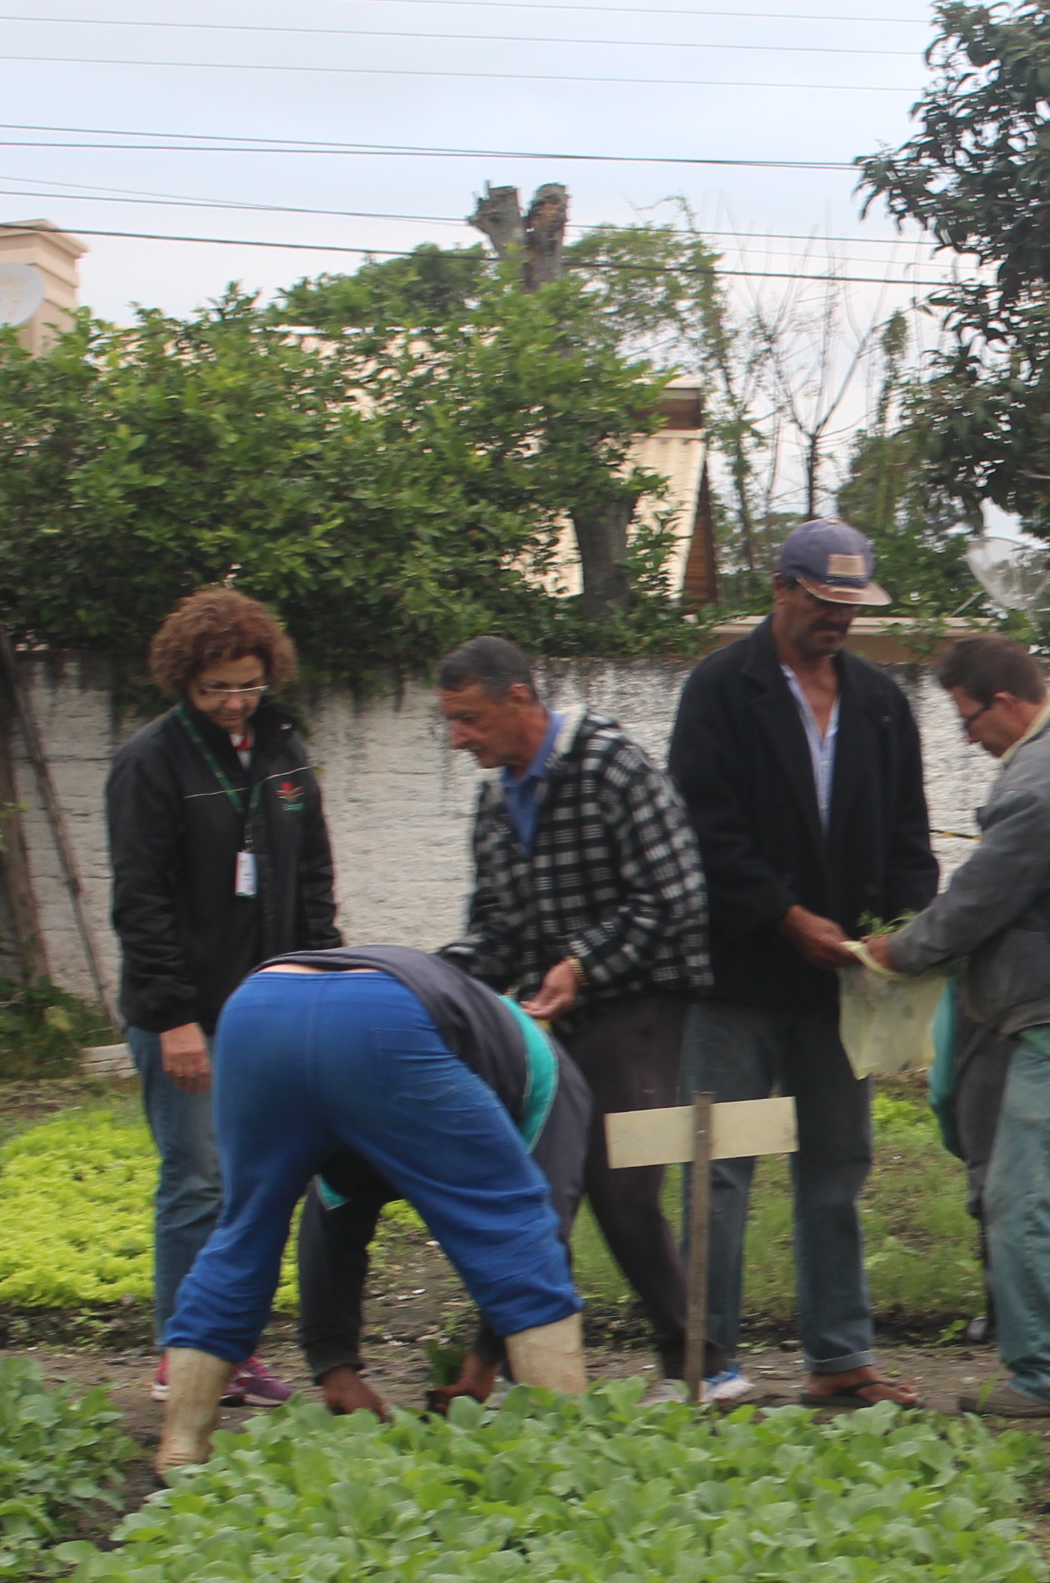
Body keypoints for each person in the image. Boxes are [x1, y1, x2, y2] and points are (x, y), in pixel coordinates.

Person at [666, 519, 939, 1410]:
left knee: (837, 1165)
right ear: (781, 589)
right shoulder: (719, 689)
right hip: (739, 974)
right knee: (718, 1166)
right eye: (823, 601)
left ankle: (841, 1358)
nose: (838, 619)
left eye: (850, 605)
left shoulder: (881, 703)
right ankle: (706, 1364)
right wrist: (785, 917)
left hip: (841, 983)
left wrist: (898, 937)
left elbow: (908, 836)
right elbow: (705, 831)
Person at [865, 638, 1050, 1417]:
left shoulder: (1046, 770)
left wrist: (901, 950)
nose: (969, 739)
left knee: (1026, 1198)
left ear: (1003, 701)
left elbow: (982, 894)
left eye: (968, 719)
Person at [156, 944, 589, 1475]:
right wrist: (482, 1367)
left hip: (258, 1006)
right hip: (384, 1019)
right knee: (516, 1227)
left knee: (243, 1234)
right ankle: (572, 1451)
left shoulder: (474, 1038)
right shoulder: (554, 1080)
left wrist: (334, 1368)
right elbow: (535, 1236)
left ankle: (182, 1448)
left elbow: (333, 1208)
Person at [426, 635, 712, 1402]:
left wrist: (581, 965)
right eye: (451, 721)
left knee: (619, 1184)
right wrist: (430, 980)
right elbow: (497, 932)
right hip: (559, 1015)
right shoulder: (495, 802)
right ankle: (496, 1368)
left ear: (519, 698)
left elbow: (676, 897)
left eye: (469, 719)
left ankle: (700, 1367)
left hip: (642, 1000)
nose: (457, 738)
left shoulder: (612, 765)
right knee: (530, 1182)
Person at [104, 586, 337, 1411]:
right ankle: (184, 1351)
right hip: (188, 1015)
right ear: (185, 681)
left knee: (257, 1185)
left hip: (270, 1008)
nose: (236, 703)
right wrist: (174, 1018)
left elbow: (313, 876)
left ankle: (233, 1350)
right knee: (197, 1180)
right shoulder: (150, 763)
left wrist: (322, 980)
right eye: (217, 690)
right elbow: (140, 900)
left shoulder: (283, 751)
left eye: (248, 685)